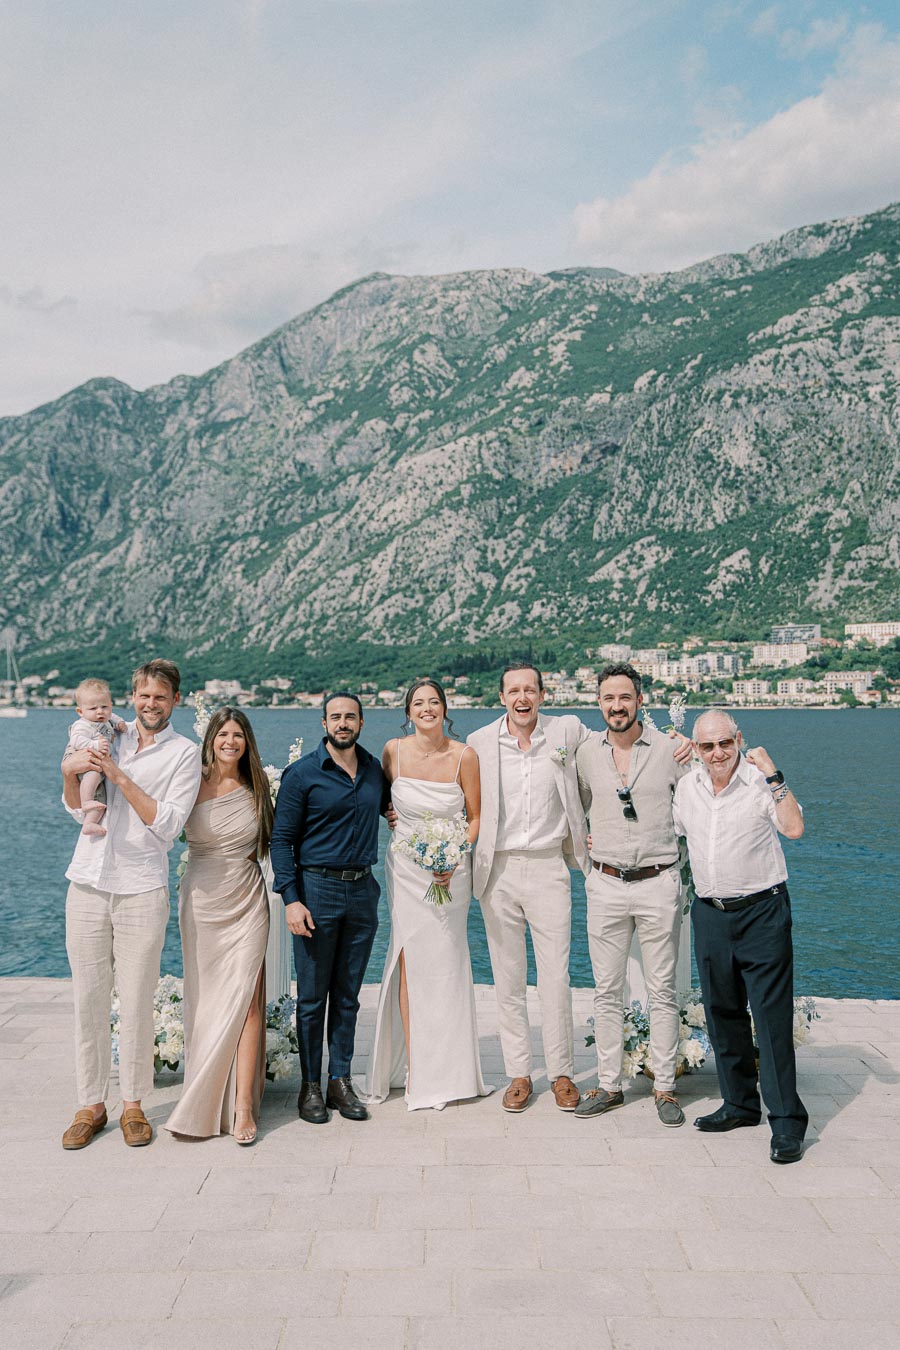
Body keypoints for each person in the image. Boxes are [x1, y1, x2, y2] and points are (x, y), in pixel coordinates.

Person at [60, 658, 202, 1150]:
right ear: (132, 696)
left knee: (138, 997)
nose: (150, 704)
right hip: (87, 880)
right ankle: (90, 1104)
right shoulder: (103, 731)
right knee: (88, 997)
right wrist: (67, 771)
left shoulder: (185, 754)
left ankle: (135, 1104)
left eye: (160, 697)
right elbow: (74, 807)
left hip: (141, 885)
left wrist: (117, 776)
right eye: (143, 695)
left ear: (175, 701)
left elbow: (167, 824)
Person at [673, 711, 808, 1164]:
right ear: (696, 749)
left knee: (770, 1021)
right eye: (707, 746)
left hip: (762, 912)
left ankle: (786, 1122)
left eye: (725, 743)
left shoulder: (759, 781)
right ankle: (739, 1105)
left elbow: (794, 828)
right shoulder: (688, 786)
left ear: (739, 739)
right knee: (722, 1012)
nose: (718, 754)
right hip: (710, 914)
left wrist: (775, 774)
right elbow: (666, 833)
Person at [467, 663, 593, 1113]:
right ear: (501, 697)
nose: (522, 698)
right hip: (496, 869)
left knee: (556, 976)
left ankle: (561, 1072)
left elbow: (613, 749)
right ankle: (519, 1073)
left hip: (548, 867)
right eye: (513, 691)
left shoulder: (567, 731)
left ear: (542, 694)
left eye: (530, 690)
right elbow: (455, 792)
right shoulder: (479, 742)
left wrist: (671, 744)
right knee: (508, 977)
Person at [574, 663, 691, 1127]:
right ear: (598, 703)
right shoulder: (585, 753)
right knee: (606, 991)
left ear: (640, 700)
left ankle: (665, 1087)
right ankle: (609, 1085)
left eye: (625, 697)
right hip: (604, 883)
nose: (617, 706)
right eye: (608, 698)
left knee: (662, 991)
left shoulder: (670, 751)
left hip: (659, 881)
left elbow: (701, 803)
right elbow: (575, 805)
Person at [367, 679, 491, 1111]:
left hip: (450, 874)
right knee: (409, 960)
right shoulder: (392, 752)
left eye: (433, 702)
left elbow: (475, 817)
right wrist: (388, 815)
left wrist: (456, 855)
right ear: (408, 711)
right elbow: (381, 802)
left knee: (446, 964)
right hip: (405, 870)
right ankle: (417, 1067)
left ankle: (450, 1072)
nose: (426, 709)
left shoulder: (465, 756)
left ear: (444, 708)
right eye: (418, 703)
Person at [270, 692, 389, 1125]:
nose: (343, 723)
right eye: (335, 717)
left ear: (361, 721)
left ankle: (340, 1079)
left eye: (350, 717)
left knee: (348, 996)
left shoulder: (376, 770)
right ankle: (310, 1086)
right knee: (312, 998)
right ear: (324, 723)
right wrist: (291, 899)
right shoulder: (302, 775)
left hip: (362, 890)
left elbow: (394, 809)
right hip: (315, 890)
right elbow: (280, 841)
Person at [164, 707, 272, 1145]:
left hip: (247, 899)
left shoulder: (259, 786)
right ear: (210, 739)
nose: (231, 741)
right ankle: (203, 1091)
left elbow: (279, 840)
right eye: (223, 734)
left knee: (247, 1001)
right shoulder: (189, 779)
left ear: (247, 742)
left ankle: (243, 1104)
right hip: (201, 901)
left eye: (239, 735)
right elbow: (159, 820)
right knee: (206, 999)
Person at [63, 678, 126, 836]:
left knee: (100, 798)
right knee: (92, 776)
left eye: (104, 707)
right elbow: (76, 741)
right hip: (83, 756)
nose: (100, 712)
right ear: (80, 711)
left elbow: (113, 717)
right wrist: (95, 745)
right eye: (93, 708)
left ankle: (89, 822)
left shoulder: (106, 718)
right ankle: (85, 802)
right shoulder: (82, 724)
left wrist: (119, 723)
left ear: (110, 705)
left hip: (98, 761)